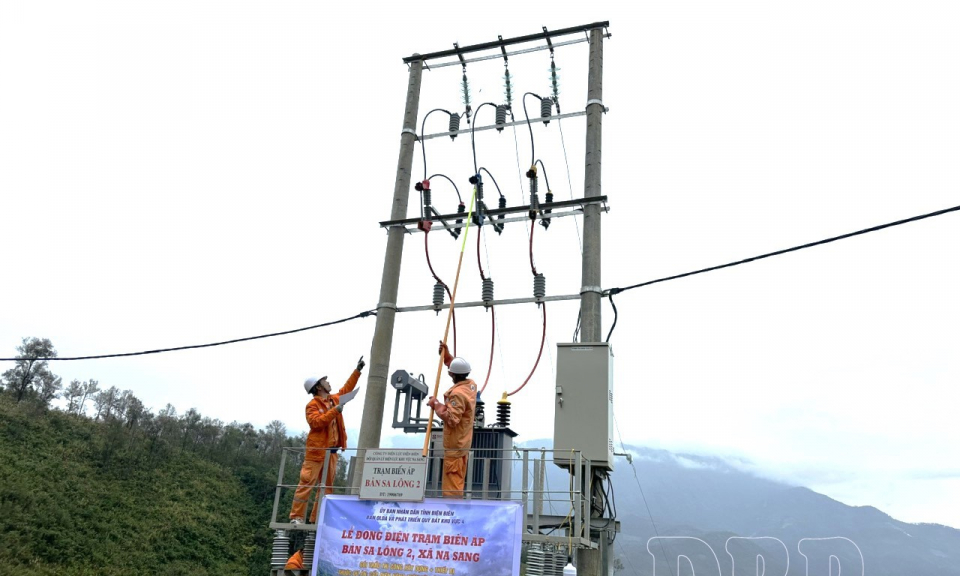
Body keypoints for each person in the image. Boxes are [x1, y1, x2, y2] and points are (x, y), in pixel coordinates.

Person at [289, 356, 365, 524]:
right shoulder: (312, 405)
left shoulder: (333, 400)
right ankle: (296, 517)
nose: (328, 382)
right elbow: (316, 423)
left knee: (326, 488)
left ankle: (317, 518)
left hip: (331, 453)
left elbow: (346, 390)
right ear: (318, 387)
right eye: (325, 380)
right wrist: (335, 411)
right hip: (316, 453)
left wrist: (357, 371)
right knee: (307, 484)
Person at [426, 341, 477, 498]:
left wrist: (436, 404)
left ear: (452, 375)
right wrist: (447, 357)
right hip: (463, 443)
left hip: (455, 448)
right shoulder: (471, 385)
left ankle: (451, 510)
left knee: (452, 488)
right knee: (457, 483)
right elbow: (457, 368)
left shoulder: (457, 394)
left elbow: (452, 419)